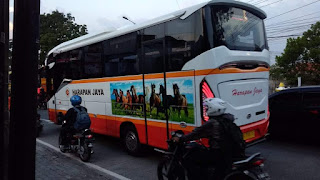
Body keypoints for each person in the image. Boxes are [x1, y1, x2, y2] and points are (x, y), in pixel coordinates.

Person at [172, 98, 241, 180]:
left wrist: (181, 139)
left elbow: (196, 134)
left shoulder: (212, 123)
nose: (206, 110)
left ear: (213, 109)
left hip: (219, 153)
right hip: (230, 152)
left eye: (207, 108)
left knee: (189, 159)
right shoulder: (226, 119)